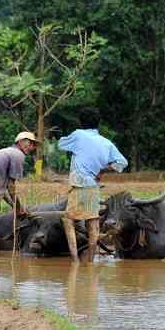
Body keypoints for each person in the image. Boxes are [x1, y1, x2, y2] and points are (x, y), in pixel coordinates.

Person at [58, 108, 128, 263]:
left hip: (79, 184)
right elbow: (122, 163)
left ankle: (75, 259)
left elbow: (61, 145)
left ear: (81, 123)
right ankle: (90, 260)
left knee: (68, 219)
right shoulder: (106, 143)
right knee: (93, 223)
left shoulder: (78, 135)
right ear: (98, 124)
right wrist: (103, 168)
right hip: (94, 187)